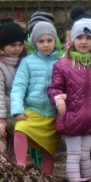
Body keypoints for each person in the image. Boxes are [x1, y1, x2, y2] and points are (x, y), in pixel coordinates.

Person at [49, 18, 91, 182]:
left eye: (89, 38)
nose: (84, 41)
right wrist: (58, 98)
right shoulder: (63, 64)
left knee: (85, 155)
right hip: (72, 116)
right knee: (74, 154)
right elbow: (55, 87)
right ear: (72, 39)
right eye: (80, 37)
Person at [11, 20, 60, 174]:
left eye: (49, 40)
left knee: (48, 150)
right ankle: (20, 167)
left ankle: (47, 180)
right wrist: (18, 109)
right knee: (20, 129)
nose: (45, 44)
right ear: (34, 43)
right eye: (41, 41)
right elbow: (18, 87)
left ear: (55, 41)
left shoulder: (62, 62)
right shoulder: (27, 62)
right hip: (33, 112)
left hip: (54, 115)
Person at [0, 20, 27, 158]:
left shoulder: (25, 60)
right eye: (12, 45)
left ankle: (21, 165)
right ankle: (2, 164)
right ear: (3, 46)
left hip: (21, 111)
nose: (17, 48)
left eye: (20, 44)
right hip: (2, 110)